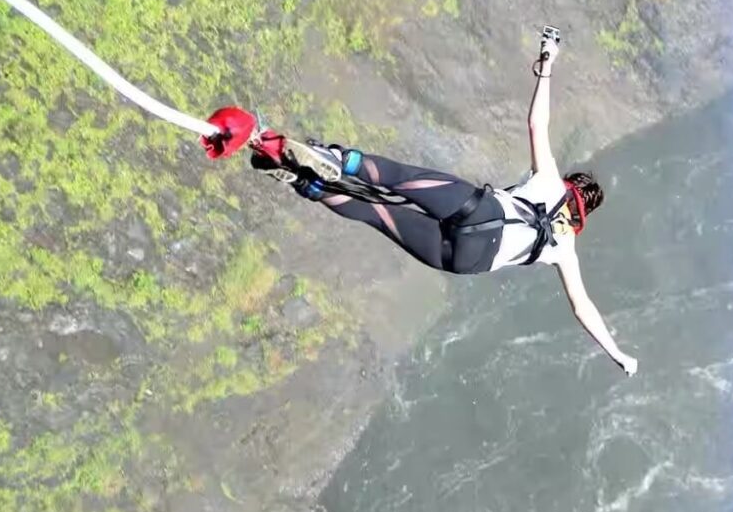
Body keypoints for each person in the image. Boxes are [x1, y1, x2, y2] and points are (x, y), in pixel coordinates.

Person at [251, 33, 639, 376]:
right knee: (378, 214)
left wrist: (547, 64)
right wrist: (618, 354)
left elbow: (537, 123)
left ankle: (336, 161)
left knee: (398, 180)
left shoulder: (552, 182)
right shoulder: (565, 250)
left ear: (573, 187)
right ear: (582, 217)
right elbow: (582, 307)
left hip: (483, 212)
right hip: (465, 261)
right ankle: (307, 184)